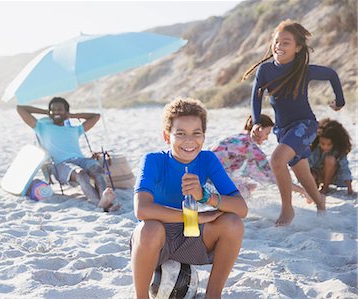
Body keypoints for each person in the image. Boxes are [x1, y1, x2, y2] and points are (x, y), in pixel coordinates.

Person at [130, 97, 248, 299]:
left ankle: (213, 295)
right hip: (156, 241)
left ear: (204, 136)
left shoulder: (208, 159)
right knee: (150, 228)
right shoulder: (153, 160)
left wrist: (205, 196)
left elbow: (241, 209)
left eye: (196, 133)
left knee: (233, 223)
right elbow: (142, 210)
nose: (189, 141)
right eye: (180, 134)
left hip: (192, 237)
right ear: (167, 137)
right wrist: (193, 217)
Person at [242, 19, 345, 226]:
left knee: (277, 160)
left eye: (286, 42)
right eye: (277, 41)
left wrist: (340, 101)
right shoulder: (265, 71)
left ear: (298, 48)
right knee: (303, 174)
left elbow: (332, 74)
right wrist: (255, 123)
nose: (279, 46)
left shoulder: (303, 70)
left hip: (305, 125)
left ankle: (287, 211)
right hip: (283, 129)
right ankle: (321, 204)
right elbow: (256, 97)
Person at [17, 97, 117, 212]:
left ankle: (104, 200)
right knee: (81, 174)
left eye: (60, 109)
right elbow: (21, 109)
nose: (56, 112)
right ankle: (101, 203)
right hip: (60, 165)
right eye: (53, 110)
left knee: (97, 169)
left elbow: (96, 116)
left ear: (66, 111)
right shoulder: (41, 127)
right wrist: (48, 112)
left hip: (80, 160)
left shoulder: (75, 129)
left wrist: (70, 115)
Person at [212, 114, 313, 203]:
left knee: (250, 186)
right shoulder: (249, 146)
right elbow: (273, 177)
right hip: (210, 179)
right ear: (259, 129)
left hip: (205, 173)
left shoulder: (238, 138)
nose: (267, 138)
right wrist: (302, 190)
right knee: (245, 191)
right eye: (267, 133)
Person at [309, 118, 354, 195]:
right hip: (317, 174)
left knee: (330, 159)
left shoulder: (338, 151)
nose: (325, 147)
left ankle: (325, 188)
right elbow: (307, 165)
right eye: (322, 144)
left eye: (329, 144)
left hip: (333, 176)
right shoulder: (314, 149)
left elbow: (345, 168)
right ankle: (313, 187)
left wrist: (349, 188)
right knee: (309, 172)